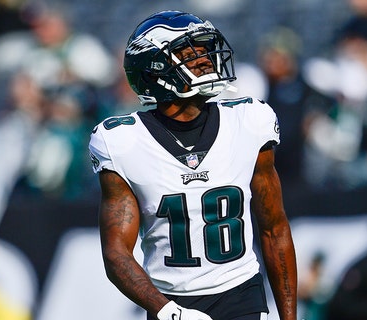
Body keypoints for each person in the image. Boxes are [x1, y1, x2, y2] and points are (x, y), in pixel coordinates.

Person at [88, 10, 297, 320]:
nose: (205, 59)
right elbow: (116, 253)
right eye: (189, 53)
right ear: (156, 67)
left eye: (205, 50)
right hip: (170, 300)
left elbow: (274, 228)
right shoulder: (122, 142)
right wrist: (169, 313)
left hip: (242, 293)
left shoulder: (249, 121)